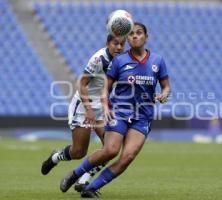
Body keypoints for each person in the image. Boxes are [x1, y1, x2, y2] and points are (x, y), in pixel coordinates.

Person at [59, 22, 171, 198]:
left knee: (127, 157)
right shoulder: (119, 60)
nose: (135, 36)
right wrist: (105, 106)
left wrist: (164, 94)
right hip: (119, 111)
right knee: (111, 150)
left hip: (143, 116)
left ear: (146, 37)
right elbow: (105, 87)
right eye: (131, 34)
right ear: (128, 38)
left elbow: (166, 86)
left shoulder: (158, 61)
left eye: (139, 33)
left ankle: (91, 188)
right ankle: (75, 174)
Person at [41, 34, 126, 189]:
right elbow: (82, 84)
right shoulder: (98, 59)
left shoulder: (123, 60)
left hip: (102, 107)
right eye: (115, 44)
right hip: (83, 105)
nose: (119, 47)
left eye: (122, 44)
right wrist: (88, 110)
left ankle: (83, 180)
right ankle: (56, 157)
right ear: (108, 43)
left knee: (110, 148)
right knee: (79, 151)